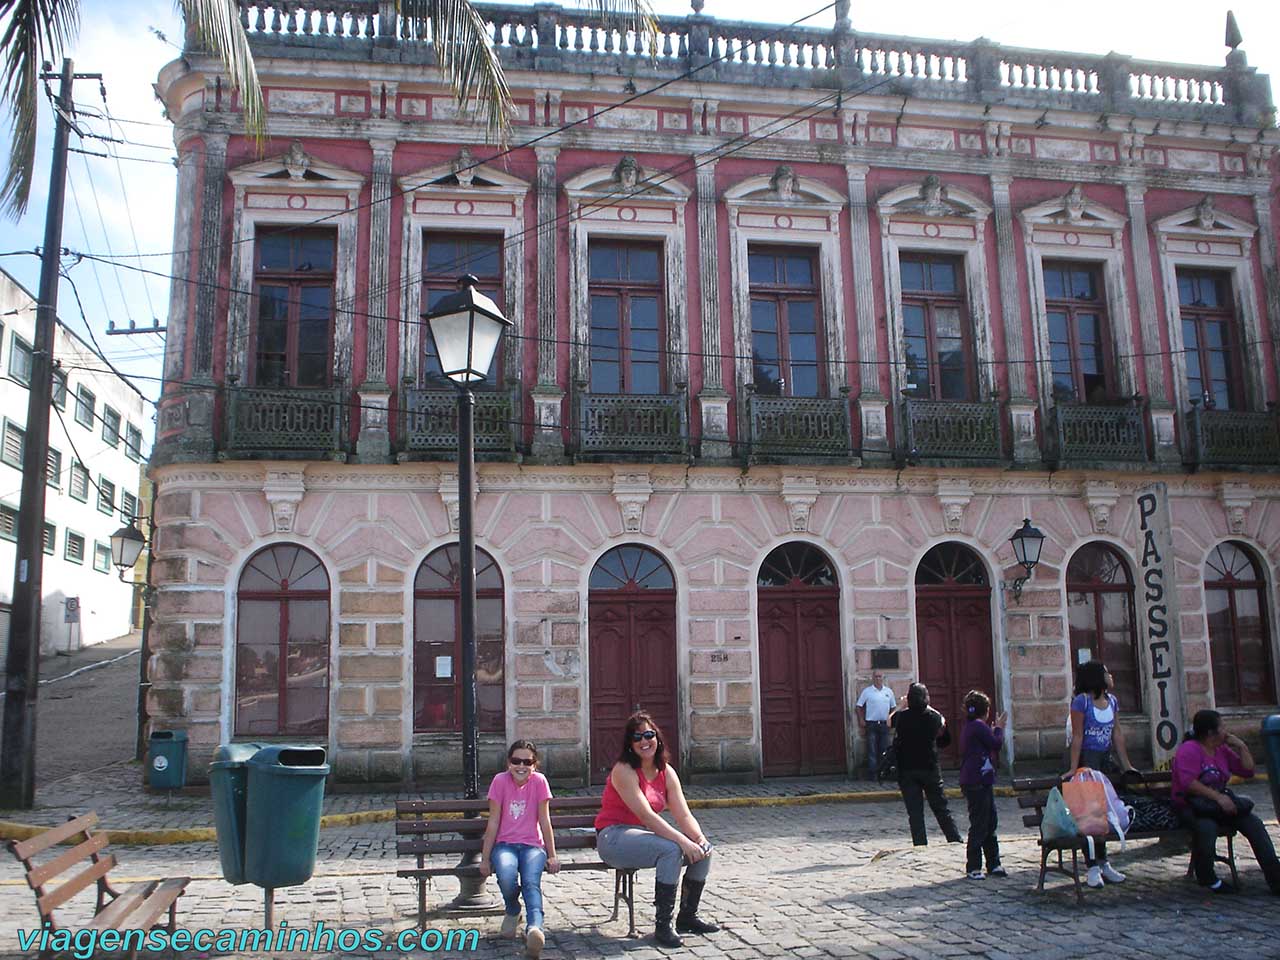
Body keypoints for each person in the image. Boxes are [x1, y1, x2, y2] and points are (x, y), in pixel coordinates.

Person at [594, 712, 718, 948]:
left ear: (658, 738)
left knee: (704, 849)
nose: (644, 741)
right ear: (630, 744)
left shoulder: (666, 772)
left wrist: (699, 840)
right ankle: (663, 926)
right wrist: (683, 842)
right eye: (637, 737)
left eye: (649, 735)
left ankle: (687, 917)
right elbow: (647, 816)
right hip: (614, 837)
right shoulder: (624, 770)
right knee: (672, 849)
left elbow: (683, 814)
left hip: (641, 838)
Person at [1172, 709, 1280, 895]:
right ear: (1210, 733)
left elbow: (1247, 771)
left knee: (1254, 824)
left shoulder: (1222, 750)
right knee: (1207, 828)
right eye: (1222, 727)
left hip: (1220, 806)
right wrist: (1218, 798)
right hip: (1194, 806)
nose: (1225, 730)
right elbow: (1188, 783)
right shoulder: (1189, 750)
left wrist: (1242, 746)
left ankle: (1276, 878)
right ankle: (1207, 877)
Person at [479, 740, 560, 959]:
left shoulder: (540, 782)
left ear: (535, 764)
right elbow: (493, 822)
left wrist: (552, 855)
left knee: (531, 882)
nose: (521, 766)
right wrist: (485, 859)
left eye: (527, 761)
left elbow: (545, 821)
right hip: (504, 845)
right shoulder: (499, 781)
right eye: (516, 761)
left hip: (533, 845)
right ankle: (513, 909)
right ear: (509, 763)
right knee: (506, 874)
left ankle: (535, 929)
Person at [1066, 660, 1137, 888]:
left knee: (1105, 814)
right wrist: (1073, 767)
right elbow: (1077, 736)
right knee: (1090, 817)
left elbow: (1117, 734)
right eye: (1106, 673)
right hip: (1088, 760)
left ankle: (1104, 862)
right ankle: (1093, 866)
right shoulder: (1081, 702)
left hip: (1105, 760)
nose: (1111, 676)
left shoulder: (1112, 702)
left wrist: (1126, 765)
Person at [890, 682, 961, 846]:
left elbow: (888, 721)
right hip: (930, 768)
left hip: (907, 770)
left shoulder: (902, 717)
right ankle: (954, 839)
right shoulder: (933, 717)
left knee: (915, 813)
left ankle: (920, 844)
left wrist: (901, 706)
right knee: (941, 809)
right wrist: (930, 707)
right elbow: (943, 723)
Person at [959, 690, 1006, 880]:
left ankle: (993, 863)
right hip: (976, 780)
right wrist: (1000, 728)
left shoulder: (972, 726)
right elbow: (996, 743)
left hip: (980, 780)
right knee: (980, 824)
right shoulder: (978, 726)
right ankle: (975, 866)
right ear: (984, 710)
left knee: (989, 822)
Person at [856, 672, 897, 780]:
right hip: (871, 724)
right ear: (873, 678)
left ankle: (883, 773)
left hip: (884, 724)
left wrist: (891, 719)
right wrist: (861, 719)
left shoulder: (888, 692)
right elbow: (859, 706)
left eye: (880, 676)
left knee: (884, 750)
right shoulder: (867, 692)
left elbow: (893, 707)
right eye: (876, 676)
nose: (878, 678)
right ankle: (873, 774)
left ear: (883, 678)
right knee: (872, 750)